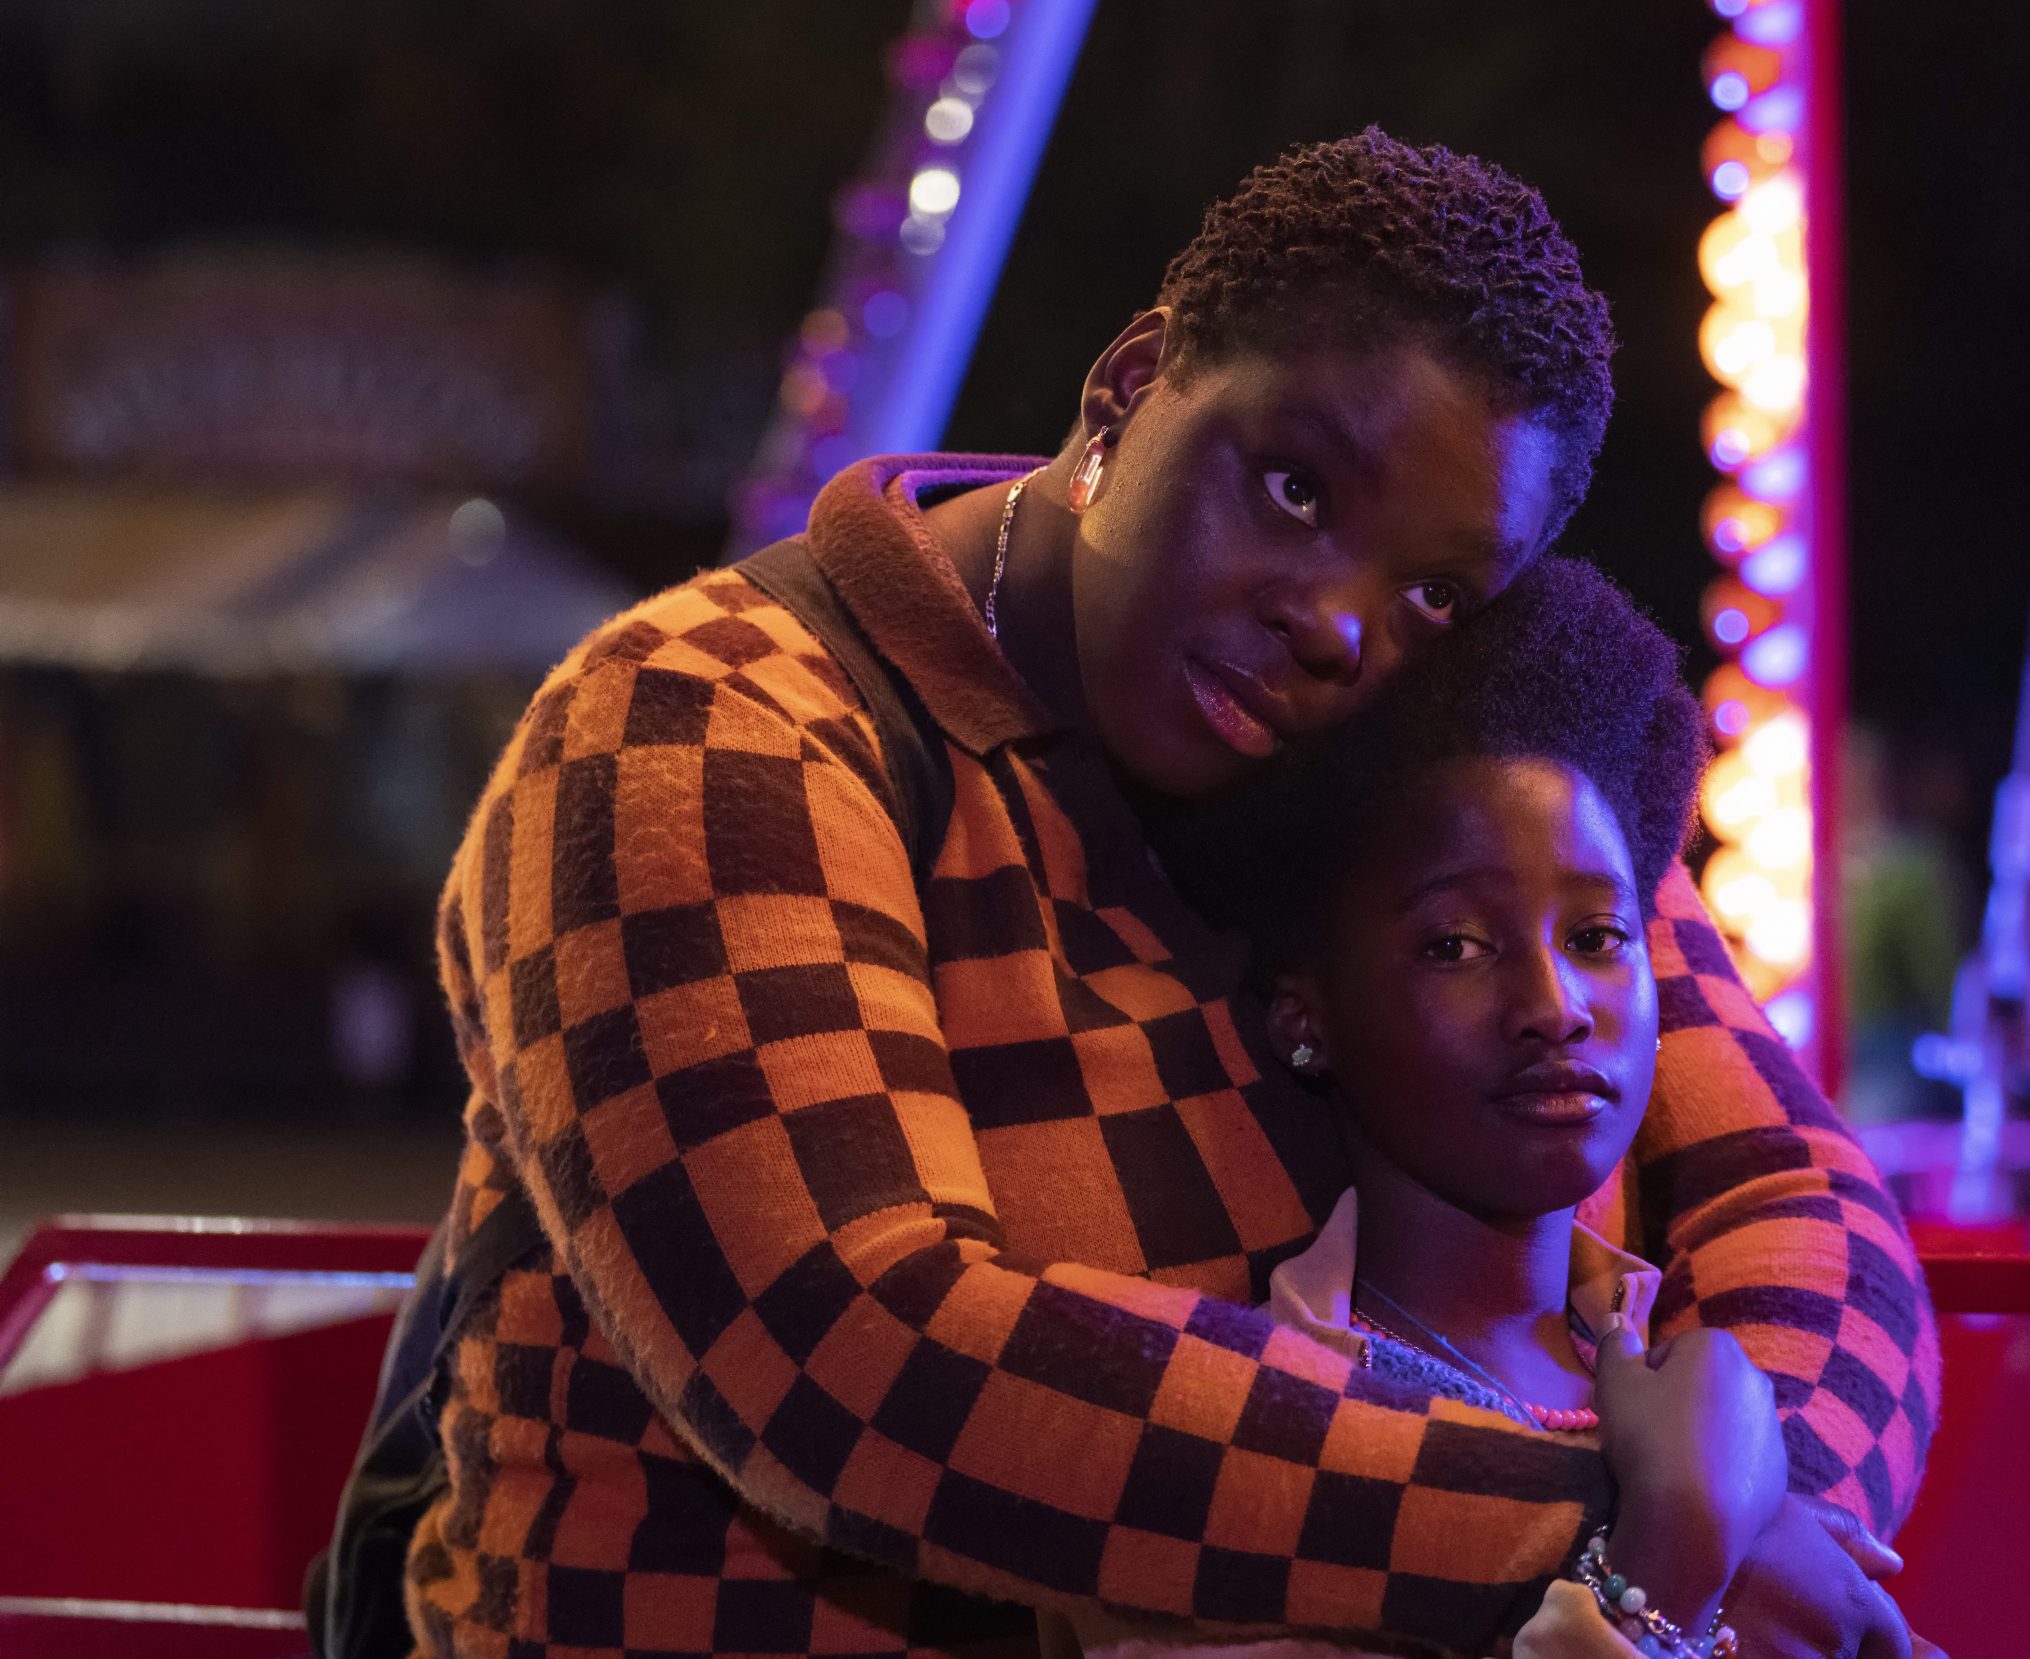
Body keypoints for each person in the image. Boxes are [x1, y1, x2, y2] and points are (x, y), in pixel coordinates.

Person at [414, 130, 1938, 1659]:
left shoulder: (1449, 757)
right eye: (1295, 487)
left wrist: (1766, 1502)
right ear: (1130, 387)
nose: (1339, 624)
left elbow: (1801, 1198)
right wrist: (1609, 1526)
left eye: (1434, 592)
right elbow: (851, 1349)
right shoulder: (711, 721)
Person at [1071, 556, 1933, 1659]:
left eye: (1597, 937)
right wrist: (1674, 1545)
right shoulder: (1250, 1441)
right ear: (1305, 1014)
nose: (1554, 1007)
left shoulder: (1696, 1378)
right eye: (1455, 946)